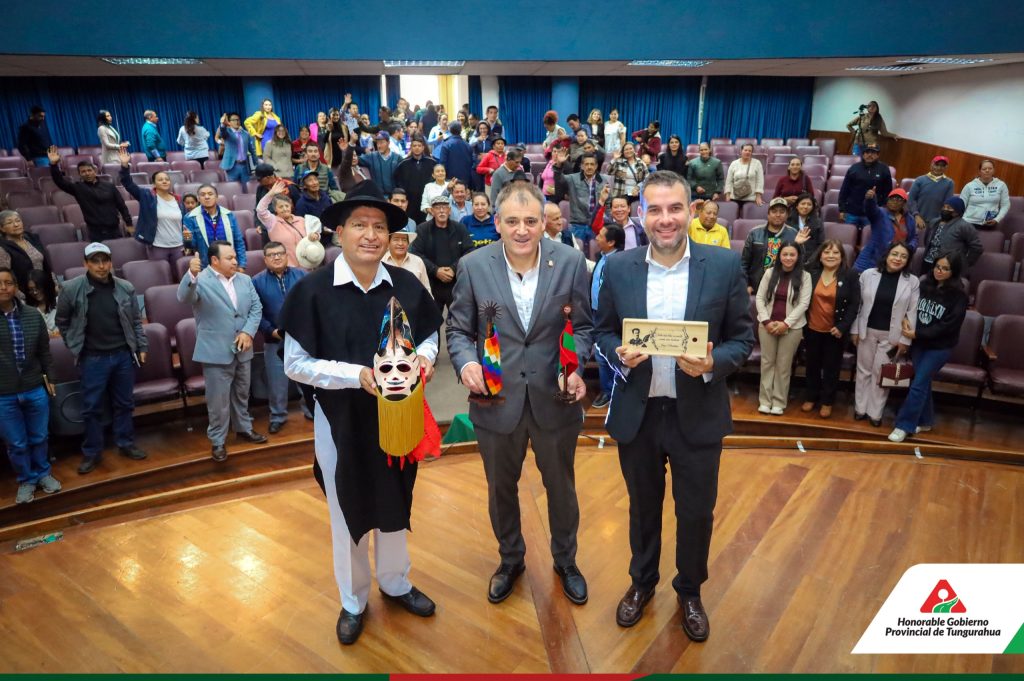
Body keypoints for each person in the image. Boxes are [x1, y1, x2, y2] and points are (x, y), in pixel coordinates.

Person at [280, 181, 443, 645]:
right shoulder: (313, 292)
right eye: (359, 225)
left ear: (390, 236)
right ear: (340, 232)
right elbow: (295, 364)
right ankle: (353, 600)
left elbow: (429, 335)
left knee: (395, 497)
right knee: (347, 508)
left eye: (379, 227)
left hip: (399, 417)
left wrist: (425, 359)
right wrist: (357, 375)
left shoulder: (405, 284)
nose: (370, 235)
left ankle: (395, 582)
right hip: (340, 422)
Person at [593, 170, 754, 641]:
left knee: (696, 513)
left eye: (675, 208)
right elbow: (602, 332)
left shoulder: (723, 265)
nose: (666, 219)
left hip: (697, 413)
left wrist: (712, 362)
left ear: (692, 211)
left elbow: (743, 340)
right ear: (641, 214)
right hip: (639, 414)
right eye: (656, 210)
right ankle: (642, 583)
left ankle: (689, 590)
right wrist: (618, 354)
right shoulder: (618, 267)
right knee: (643, 508)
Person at [447, 180, 593, 607]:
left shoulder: (571, 262)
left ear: (544, 222)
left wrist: (575, 365)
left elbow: (584, 327)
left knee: (561, 488)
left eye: (531, 221)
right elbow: (458, 330)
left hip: (555, 399)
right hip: (495, 400)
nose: (522, 230)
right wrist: (467, 364)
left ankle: (566, 561)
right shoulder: (473, 265)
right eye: (513, 221)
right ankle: (510, 559)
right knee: (500, 489)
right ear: (497, 222)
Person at [56, 242, 148, 474]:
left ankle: (125, 443)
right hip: (92, 358)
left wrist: (141, 345)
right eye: (95, 261)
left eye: (104, 261)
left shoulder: (125, 287)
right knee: (92, 408)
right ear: (85, 263)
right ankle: (92, 452)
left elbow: (136, 321)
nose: (101, 266)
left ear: (110, 262)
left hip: (122, 355)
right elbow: (62, 322)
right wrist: (74, 344)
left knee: (124, 403)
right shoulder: (71, 288)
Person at [178, 241, 266, 460]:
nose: (235, 261)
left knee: (242, 393)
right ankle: (218, 441)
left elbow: (256, 308)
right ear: (214, 260)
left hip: (243, 348)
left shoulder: (244, 280)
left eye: (235, 257)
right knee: (218, 401)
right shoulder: (200, 280)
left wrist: (247, 332)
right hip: (215, 351)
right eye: (229, 258)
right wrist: (191, 274)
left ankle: (244, 428)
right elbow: (184, 297)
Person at [888, 252, 968, 442]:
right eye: (937, 267)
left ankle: (904, 425)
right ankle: (925, 421)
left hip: (939, 348)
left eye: (945, 268)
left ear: (954, 271)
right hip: (919, 345)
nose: (939, 271)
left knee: (918, 384)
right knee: (923, 382)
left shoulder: (959, 296)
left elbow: (948, 326)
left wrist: (917, 333)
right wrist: (906, 320)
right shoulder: (924, 285)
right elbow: (911, 307)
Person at [0, 267, 58, 504]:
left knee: (40, 436)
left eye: (8, 283)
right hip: (3, 393)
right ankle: (26, 479)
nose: (3, 287)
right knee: (16, 443)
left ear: (16, 287)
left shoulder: (33, 315)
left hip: (34, 387)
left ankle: (43, 474)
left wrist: (50, 378)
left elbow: (44, 352)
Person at [852, 241, 919, 427]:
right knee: (863, 370)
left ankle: (875, 413)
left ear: (908, 261)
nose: (898, 259)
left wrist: (906, 340)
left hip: (892, 335)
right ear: (887, 255)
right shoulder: (868, 274)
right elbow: (857, 305)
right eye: (894, 254)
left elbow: (912, 312)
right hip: (866, 330)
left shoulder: (912, 281)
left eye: (903, 256)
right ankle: (860, 408)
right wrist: (855, 330)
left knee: (881, 373)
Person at [252, 241, 311, 434]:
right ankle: (278, 416)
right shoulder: (256, 282)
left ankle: (310, 410)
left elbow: (311, 304)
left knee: (307, 377)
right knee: (277, 382)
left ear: (287, 255)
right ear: (265, 259)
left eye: (280, 253)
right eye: (272, 255)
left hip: (302, 339)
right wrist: (271, 331)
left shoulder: (302, 275)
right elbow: (256, 313)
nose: (276, 257)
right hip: (274, 339)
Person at [801, 240, 861, 418]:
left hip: (835, 332)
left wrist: (842, 327)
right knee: (812, 365)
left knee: (831, 368)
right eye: (827, 252)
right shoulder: (811, 273)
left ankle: (827, 401)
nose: (830, 256)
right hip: (812, 329)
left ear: (842, 257)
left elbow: (854, 304)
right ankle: (811, 396)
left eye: (835, 253)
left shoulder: (850, 275)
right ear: (820, 256)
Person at [755, 242, 811, 415]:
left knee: (783, 365)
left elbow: (804, 304)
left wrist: (786, 323)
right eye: (785, 254)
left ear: (798, 256)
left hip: (792, 328)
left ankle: (778, 402)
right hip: (767, 325)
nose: (788, 258)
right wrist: (766, 321)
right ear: (779, 256)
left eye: (792, 255)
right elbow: (759, 298)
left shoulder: (805, 276)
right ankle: (765, 401)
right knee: (767, 363)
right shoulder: (769, 273)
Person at [47, 146, 131, 242]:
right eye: (83, 172)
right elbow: (59, 181)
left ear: (95, 171)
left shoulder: (109, 186)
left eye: (89, 170)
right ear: (80, 175)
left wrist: (129, 224)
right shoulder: (78, 188)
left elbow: (121, 206)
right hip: (96, 233)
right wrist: (53, 165)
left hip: (115, 230)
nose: (87, 173)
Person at [117, 147, 184, 265]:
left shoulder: (178, 199)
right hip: (157, 246)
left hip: (179, 246)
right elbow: (128, 183)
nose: (164, 181)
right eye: (160, 180)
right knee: (161, 273)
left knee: (180, 274)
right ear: (154, 184)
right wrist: (124, 165)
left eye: (166, 179)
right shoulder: (146, 196)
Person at [409, 195, 472, 313]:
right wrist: (436, 270)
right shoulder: (422, 229)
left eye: (444, 207)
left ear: (449, 210)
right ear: (432, 211)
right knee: (431, 320)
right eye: (438, 208)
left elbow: (469, 251)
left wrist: (454, 269)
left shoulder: (460, 228)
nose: (442, 211)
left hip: (456, 283)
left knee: (459, 319)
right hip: (431, 283)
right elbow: (416, 253)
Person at [590, 223, 625, 409]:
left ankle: (611, 391)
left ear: (611, 242)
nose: (596, 238)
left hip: (612, 316)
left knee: (604, 354)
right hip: (596, 312)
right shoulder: (601, 257)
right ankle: (609, 389)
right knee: (600, 354)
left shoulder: (621, 263)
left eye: (600, 236)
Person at [740, 197, 801, 293]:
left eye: (782, 212)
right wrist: (746, 284)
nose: (778, 215)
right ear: (768, 214)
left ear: (787, 215)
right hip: (756, 286)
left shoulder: (794, 234)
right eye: (774, 211)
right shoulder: (755, 233)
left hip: (783, 287)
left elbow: (800, 263)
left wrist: (800, 245)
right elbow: (744, 263)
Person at [258, 180, 323, 267]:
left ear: (291, 207)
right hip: (286, 268)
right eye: (281, 207)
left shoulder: (301, 220)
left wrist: (316, 235)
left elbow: (315, 234)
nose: (285, 209)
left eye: (287, 206)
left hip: (307, 266)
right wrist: (270, 194)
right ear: (275, 209)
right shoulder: (272, 222)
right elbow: (260, 210)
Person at [182, 184, 248, 270]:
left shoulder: (228, 215)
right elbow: (191, 245)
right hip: (206, 267)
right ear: (198, 199)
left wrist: (242, 265)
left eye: (210, 194)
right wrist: (187, 238)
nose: (207, 197)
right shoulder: (190, 217)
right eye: (203, 195)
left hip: (229, 264)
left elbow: (238, 241)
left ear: (216, 197)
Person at [854, 188, 918, 272]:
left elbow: (914, 237)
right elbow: (870, 209)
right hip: (872, 259)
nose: (894, 201)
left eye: (898, 199)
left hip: (895, 259)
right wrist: (870, 199)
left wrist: (909, 248)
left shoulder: (909, 219)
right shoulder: (880, 213)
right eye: (891, 198)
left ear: (904, 203)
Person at [837, 144, 893, 229]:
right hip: (852, 212)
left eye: (873, 152)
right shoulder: (854, 168)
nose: (870, 155)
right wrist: (842, 210)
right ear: (863, 154)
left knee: (868, 236)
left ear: (878, 155)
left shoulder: (884, 169)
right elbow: (844, 190)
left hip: (873, 213)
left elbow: (888, 192)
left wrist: (882, 208)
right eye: (867, 152)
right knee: (848, 234)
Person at [920, 197, 982, 272]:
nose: (945, 209)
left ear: (957, 212)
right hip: (927, 262)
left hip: (949, 267)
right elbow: (926, 240)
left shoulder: (965, 226)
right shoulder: (934, 222)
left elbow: (976, 248)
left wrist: (965, 264)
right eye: (944, 207)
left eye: (949, 208)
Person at [560, 153, 605, 255]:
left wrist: (605, 221)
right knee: (575, 255)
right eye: (586, 164)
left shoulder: (603, 180)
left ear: (596, 166)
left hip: (596, 225)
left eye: (592, 164)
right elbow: (559, 181)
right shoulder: (572, 179)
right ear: (582, 166)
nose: (589, 167)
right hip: (577, 224)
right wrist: (559, 165)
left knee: (597, 254)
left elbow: (608, 203)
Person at [0, 211, 55, 293]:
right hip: (24, 293)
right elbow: (5, 277)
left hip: (45, 289)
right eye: (10, 223)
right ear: (2, 228)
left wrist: (54, 284)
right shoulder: (2, 248)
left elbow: (46, 265)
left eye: (18, 221)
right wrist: (20, 297)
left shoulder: (32, 238)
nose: (16, 224)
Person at [394, 136, 437, 224]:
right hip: (410, 202)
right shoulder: (403, 164)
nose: (417, 148)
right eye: (414, 146)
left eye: (419, 146)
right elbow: (397, 181)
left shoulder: (432, 163)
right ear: (411, 147)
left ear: (423, 147)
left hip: (426, 202)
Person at [960, 159, 1010, 231]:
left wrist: (997, 219)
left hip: (990, 223)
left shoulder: (1001, 185)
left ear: (994, 170)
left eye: (990, 168)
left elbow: (1005, 205)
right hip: (969, 222)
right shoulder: (969, 186)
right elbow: (961, 205)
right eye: (984, 169)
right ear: (979, 171)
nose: (987, 170)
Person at [908, 156, 955, 228]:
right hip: (916, 219)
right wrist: (916, 215)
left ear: (946, 168)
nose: (939, 168)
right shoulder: (920, 180)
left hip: (936, 222)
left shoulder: (949, 183)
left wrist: (940, 220)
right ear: (931, 165)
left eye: (942, 166)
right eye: (936, 165)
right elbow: (911, 200)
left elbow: (947, 204)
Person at [217, 113, 257, 183]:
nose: (236, 122)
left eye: (238, 120)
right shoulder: (227, 132)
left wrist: (256, 163)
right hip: (232, 166)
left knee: (246, 187)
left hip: (245, 165)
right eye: (234, 120)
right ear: (229, 122)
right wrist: (223, 124)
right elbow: (222, 132)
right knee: (233, 187)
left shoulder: (246, 134)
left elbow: (252, 150)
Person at [785, 192, 824, 262]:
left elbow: (821, 244)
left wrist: (812, 260)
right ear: (797, 206)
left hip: (811, 259)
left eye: (809, 204)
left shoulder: (818, 222)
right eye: (803, 204)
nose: (806, 207)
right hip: (790, 256)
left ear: (812, 207)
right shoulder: (788, 221)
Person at [723, 143, 764, 208]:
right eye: (745, 150)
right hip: (734, 197)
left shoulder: (757, 163)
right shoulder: (734, 163)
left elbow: (760, 181)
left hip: (751, 198)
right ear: (741, 151)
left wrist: (758, 196)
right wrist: (727, 195)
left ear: (752, 152)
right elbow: (729, 181)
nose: (747, 152)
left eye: (750, 151)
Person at [26, 269, 59, 337]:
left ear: (46, 286)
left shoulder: (60, 302)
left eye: (38, 288)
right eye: (31, 289)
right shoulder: (27, 309)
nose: (35, 292)